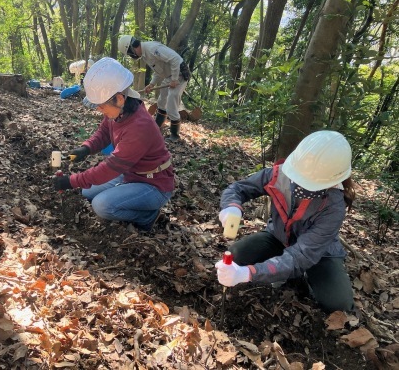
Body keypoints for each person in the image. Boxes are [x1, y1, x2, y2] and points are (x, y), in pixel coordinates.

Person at [215, 130, 356, 313]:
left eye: (310, 183)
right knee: (236, 256)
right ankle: (280, 269)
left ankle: (305, 277)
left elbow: (300, 257)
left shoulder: (333, 207)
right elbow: (239, 188)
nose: (301, 186)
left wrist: (248, 274)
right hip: (278, 237)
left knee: (339, 304)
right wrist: (231, 206)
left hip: (319, 254)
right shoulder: (279, 174)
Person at [53, 57, 174, 231]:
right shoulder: (118, 111)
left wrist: (71, 181)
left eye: (101, 106)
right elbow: (103, 133)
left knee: (102, 206)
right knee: (88, 191)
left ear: (119, 98)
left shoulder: (139, 128)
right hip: (132, 173)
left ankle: (148, 216)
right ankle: (127, 196)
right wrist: (85, 148)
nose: (99, 110)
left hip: (154, 184)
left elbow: (110, 168)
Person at [118, 35, 190, 142]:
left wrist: (175, 79)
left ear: (133, 48)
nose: (131, 56)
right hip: (168, 76)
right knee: (161, 102)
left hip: (179, 74)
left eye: (129, 53)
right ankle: (157, 127)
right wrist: (151, 84)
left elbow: (176, 59)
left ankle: (175, 135)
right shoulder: (145, 55)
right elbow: (158, 71)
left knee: (171, 103)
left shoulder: (153, 49)